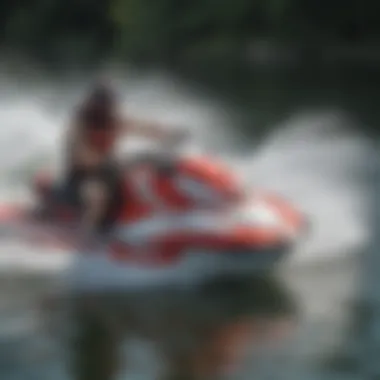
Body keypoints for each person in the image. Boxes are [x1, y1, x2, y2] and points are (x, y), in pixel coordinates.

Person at [43, 80, 186, 240]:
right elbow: (83, 157)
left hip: (109, 173)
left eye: (109, 104)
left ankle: (158, 221)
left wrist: (170, 134)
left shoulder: (115, 120)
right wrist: (118, 162)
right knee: (96, 195)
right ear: (93, 103)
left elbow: (145, 128)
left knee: (145, 178)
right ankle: (85, 238)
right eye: (103, 104)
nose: (106, 108)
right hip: (82, 178)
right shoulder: (79, 125)